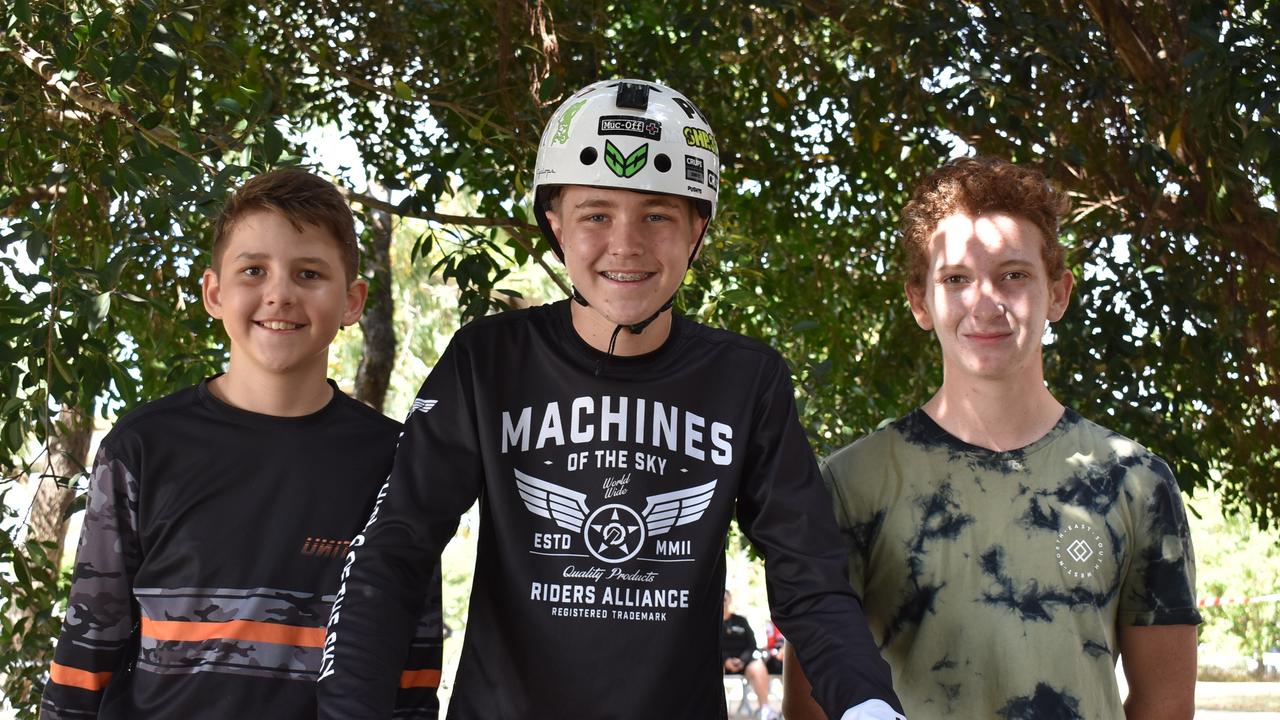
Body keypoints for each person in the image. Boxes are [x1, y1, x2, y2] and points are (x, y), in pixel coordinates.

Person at [317, 79, 903, 720]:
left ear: (696, 229)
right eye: (597, 214)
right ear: (556, 224)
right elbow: (396, 545)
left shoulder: (747, 381)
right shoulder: (488, 361)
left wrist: (869, 706)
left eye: (657, 214)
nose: (626, 244)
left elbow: (810, 577)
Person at [783, 156, 1201, 719]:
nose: (986, 302)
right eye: (956, 278)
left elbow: (1165, 704)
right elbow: (809, 708)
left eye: (1014, 274)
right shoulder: (850, 484)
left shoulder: (1135, 483)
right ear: (919, 301)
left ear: (1057, 292)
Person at [39, 169, 443, 719]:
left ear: (352, 302)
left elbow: (414, 671)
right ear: (214, 292)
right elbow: (86, 657)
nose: (279, 294)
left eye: (309, 274)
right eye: (254, 270)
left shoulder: (397, 462)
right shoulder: (142, 448)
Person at [721, 590, 776, 720]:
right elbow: (709, 645)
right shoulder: (711, 621)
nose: (722, 602)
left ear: (730, 601)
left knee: (758, 666)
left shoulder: (741, 621)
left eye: (724, 599)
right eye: (720, 599)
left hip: (744, 661)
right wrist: (725, 660)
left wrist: (742, 660)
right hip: (721, 663)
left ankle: (765, 710)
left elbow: (752, 644)